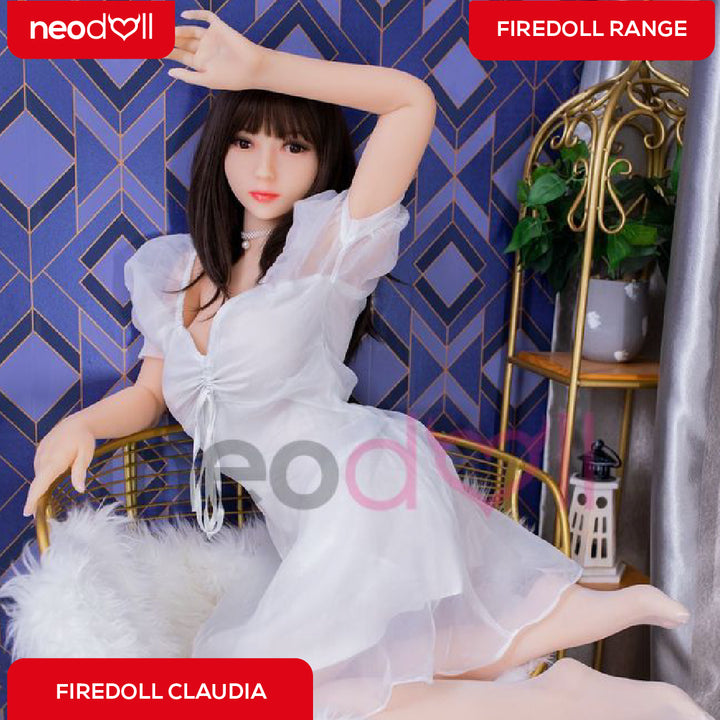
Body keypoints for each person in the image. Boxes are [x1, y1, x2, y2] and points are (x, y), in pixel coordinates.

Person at [22, 10, 711, 720]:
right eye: (245, 140)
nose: (265, 168)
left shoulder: (329, 249)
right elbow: (149, 395)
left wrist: (259, 69)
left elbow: (412, 102)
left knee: (285, 694)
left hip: (359, 486)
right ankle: (558, 691)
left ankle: (567, 667)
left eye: (293, 146)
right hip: (304, 521)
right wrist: (80, 425)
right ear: (217, 150)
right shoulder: (177, 272)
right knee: (340, 693)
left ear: (321, 159)